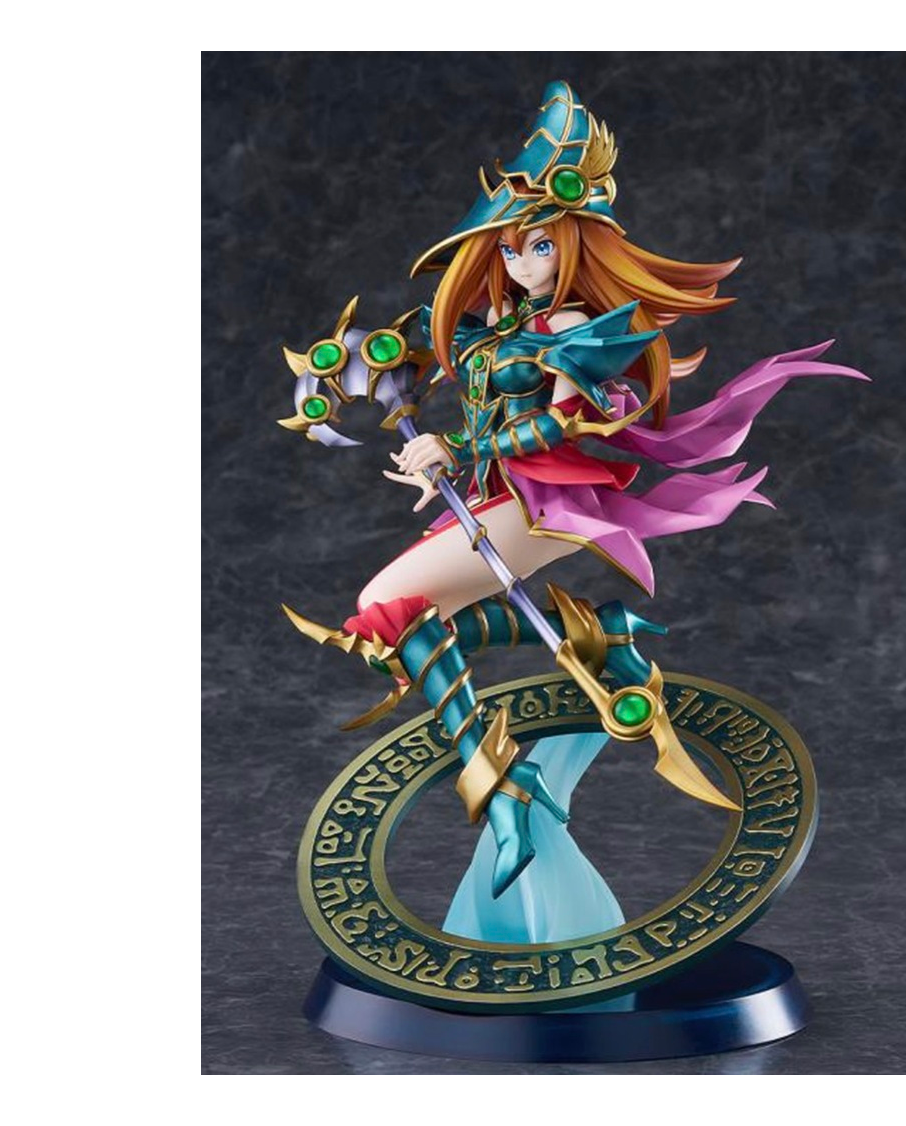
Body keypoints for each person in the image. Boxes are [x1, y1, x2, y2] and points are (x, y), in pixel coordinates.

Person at [283, 80, 868, 913]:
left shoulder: (573, 333)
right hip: (494, 496)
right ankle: (599, 639)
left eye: (540, 249)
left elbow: (565, 423)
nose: (521, 265)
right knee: (400, 626)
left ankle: (506, 790)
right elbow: (406, 366)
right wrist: (364, 382)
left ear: (575, 249)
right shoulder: (497, 328)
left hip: (542, 497)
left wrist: (458, 447)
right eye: (509, 250)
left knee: (386, 608)